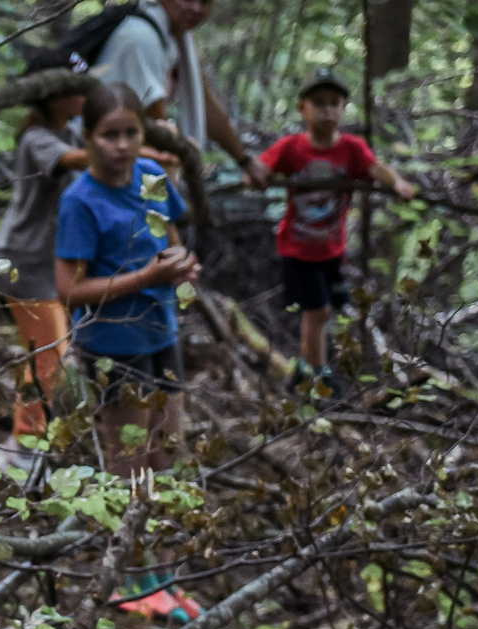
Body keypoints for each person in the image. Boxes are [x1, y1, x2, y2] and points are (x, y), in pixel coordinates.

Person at [55, 81, 198, 475]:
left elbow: (171, 238)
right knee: (129, 458)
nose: (121, 145)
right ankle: (123, 534)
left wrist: (183, 265)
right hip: (113, 343)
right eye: (109, 134)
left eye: (131, 133)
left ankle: (168, 533)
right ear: (87, 137)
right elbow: (69, 291)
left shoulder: (151, 175)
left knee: (168, 447)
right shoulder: (80, 201)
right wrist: (145, 276)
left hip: (161, 330)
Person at [257, 71, 417, 395]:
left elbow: (375, 168)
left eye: (334, 103)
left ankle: (304, 369)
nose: (327, 110)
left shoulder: (352, 150)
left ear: (344, 108)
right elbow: (263, 167)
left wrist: (397, 183)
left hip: (332, 249)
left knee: (326, 310)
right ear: (304, 108)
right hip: (297, 248)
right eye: (319, 103)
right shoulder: (292, 148)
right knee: (316, 311)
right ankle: (317, 376)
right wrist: (254, 174)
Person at [0, 88, 88, 452]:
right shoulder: (37, 138)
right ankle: (25, 443)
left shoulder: (71, 129)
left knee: (50, 355)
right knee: (50, 356)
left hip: (51, 262)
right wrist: (139, 149)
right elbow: (77, 159)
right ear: (52, 95)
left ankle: (34, 436)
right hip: (24, 260)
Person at [87, 0, 262, 181]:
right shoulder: (142, 39)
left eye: (204, 2)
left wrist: (245, 161)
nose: (196, 9)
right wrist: (181, 151)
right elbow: (156, 123)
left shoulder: (176, 39)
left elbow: (203, 103)